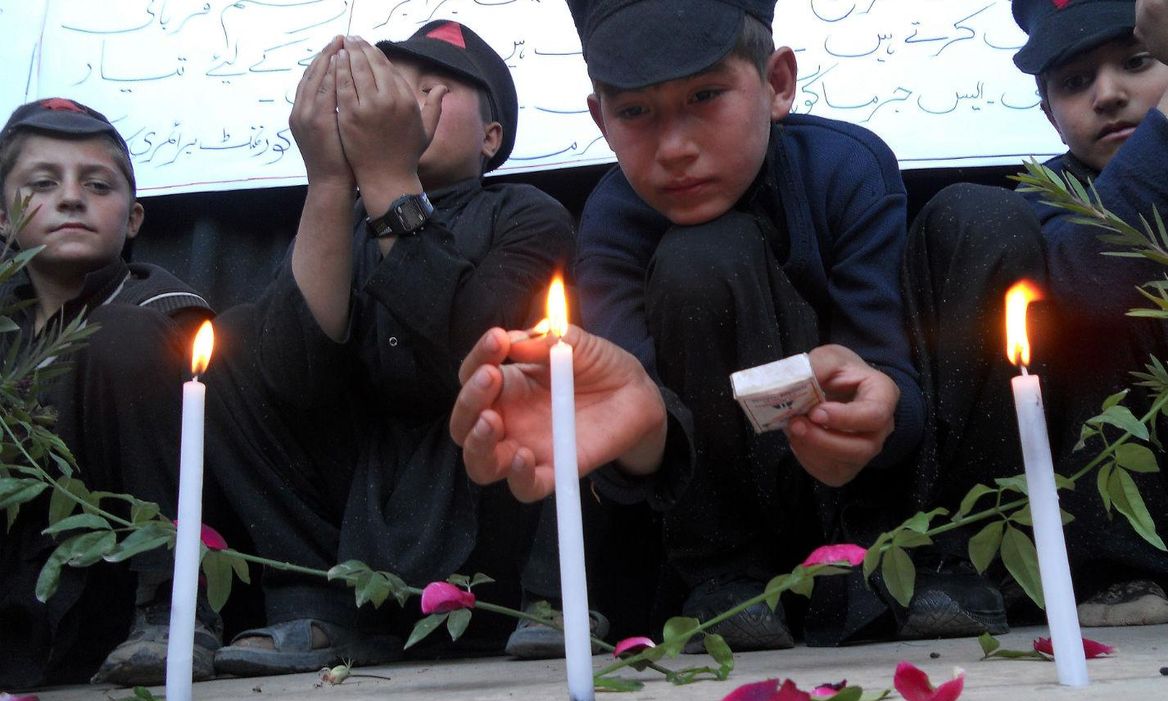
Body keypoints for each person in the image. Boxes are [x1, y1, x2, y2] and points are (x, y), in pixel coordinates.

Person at [452, 0, 1009, 649]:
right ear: (600, 118)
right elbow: (635, 422)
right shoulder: (613, 218)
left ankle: (951, 559)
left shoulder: (845, 166)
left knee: (985, 219)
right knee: (701, 255)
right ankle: (729, 574)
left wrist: (878, 401)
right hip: (723, 530)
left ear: (776, 84)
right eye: (635, 111)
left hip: (887, 505)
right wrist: (642, 426)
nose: (675, 148)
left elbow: (890, 371)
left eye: (705, 95)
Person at [205, 20, 581, 676]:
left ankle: (545, 600)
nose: (398, 105)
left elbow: (472, 353)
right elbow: (290, 379)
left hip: (481, 491)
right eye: (386, 91)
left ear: (491, 137)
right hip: (360, 493)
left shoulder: (525, 212)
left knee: (547, 358)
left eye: (426, 89)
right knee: (239, 344)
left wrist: (387, 178)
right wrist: (328, 180)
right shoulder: (339, 223)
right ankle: (317, 607)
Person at [905, 0, 1168, 629]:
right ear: (1048, 115)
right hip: (1129, 537)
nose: (1108, 95)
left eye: (1137, 63)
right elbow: (1096, 283)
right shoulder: (1035, 212)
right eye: (1074, 82)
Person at [0, 98, 216, 687]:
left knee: (115, 338)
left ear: (135, 218)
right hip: (19, 607)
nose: (71, 197)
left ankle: (173, 611)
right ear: (1, 217)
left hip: (113, 605)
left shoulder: (159, 312)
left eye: (97, 184)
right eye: (42, 183)